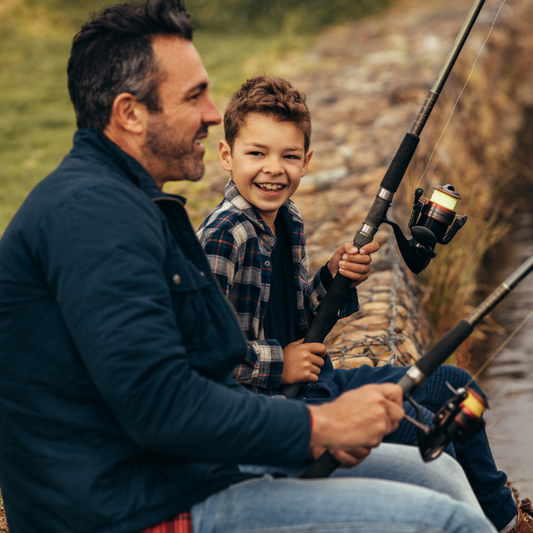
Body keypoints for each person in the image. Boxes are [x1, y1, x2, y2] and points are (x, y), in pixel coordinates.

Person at [0, 1, 501, 533]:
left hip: (186, 468)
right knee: (447, 522)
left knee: (442, 477)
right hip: (130, 506)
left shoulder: (131, 205)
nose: (214, 112)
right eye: (195, 96)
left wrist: (313, 403)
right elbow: (162, 403)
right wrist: (319, 422)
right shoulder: (92, 218)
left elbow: (197, 370)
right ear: (129, 112)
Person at [197, 75, 529, 533]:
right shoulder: (222, 237)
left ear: (307, 161)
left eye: (289, 156)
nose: (274, 169)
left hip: (319, 386)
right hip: (271, 411)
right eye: (257, 153)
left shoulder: (287, 218)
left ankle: (508, 522)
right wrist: (281, 364)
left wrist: (333, 278)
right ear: (225, 155)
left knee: (457, 388)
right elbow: (205, 356)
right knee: (424, 433)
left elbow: (301, 321)